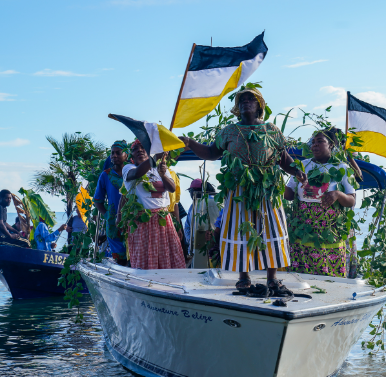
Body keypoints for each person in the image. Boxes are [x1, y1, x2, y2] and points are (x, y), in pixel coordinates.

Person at [178, 87, 307, 291]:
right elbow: (212, 152)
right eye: (242, 100)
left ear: (259, 106)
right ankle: (243, 277)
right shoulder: (229, 131)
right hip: (239, 188)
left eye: (251, 99)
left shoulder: (271, 130)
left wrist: (296, 171)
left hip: (267, 187)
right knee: (241, 228)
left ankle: (272, 278)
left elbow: (283, 159)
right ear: (237, 107)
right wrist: (191, 143)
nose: (246, 102)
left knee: (271, 227)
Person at [284, 128, 356, 277]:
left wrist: (337, 194)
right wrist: (276, 184)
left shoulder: (341, 167)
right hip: (303, 231)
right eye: (313, 142)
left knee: (331, 278)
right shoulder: (302, 166)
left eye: (320, 142)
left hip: (329, 232)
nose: (314, 145)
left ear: (330, 144)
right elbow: (289, 195)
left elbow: (351, 200)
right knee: (300, 276)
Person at [121, 139, 186, 270]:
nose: (139, 150)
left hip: (164, 220)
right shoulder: (129, 168)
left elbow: (172, 188)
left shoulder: (160, 168)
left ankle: (169, 286)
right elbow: (138, 173)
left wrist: (163, 174)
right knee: (146, 261)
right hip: (142, 221)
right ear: (131, 155)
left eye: (142, 147)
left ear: (148, 151)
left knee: (170, 258)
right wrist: (154, 157)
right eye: (135, 149)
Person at [94, 140, 128, 264]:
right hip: (114, 223)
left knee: (135, 256)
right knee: (120, 259)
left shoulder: (133, 172)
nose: (114, 156)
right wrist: (107, 215)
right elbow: (98, 200)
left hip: (133, 219)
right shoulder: (105, 175)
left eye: (118, 153)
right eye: (112, 153)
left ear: (126, 154)